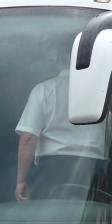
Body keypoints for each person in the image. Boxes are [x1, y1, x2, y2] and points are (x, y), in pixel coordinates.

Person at [14, 65, 107, 201]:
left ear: (60, 63)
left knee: (53, 213)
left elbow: (28, 137)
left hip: (53, 169)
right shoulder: (101, 91)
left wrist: (21, 181)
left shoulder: (44, 90)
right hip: (94, 168)